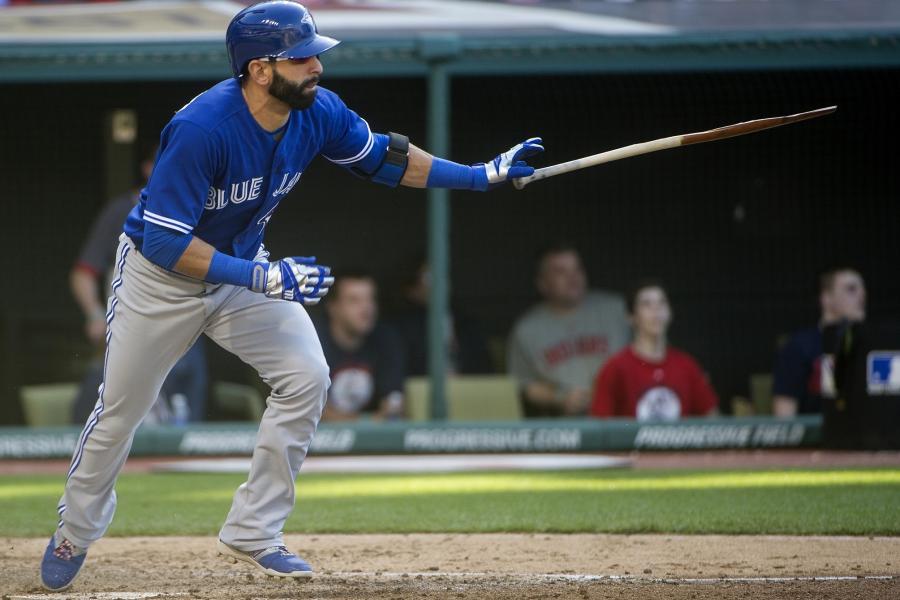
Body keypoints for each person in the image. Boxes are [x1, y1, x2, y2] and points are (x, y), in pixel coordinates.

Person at [40, 0, 544, 590]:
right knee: (121, 411)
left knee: (307, 376)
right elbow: (163, 243)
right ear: (259, 69)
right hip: (162, 280)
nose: (316, 66)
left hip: (244, 268)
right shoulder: (202, 128)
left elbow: (386, 158)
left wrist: (483, 174)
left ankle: (254, 528)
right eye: (302, 57)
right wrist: (262, 277)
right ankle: (75, 529)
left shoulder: (316, 111)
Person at [69, 148, 207, 425]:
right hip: (132, 320)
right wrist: (96, 315)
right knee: (114, 405)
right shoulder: (121, 211)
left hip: (184, 321)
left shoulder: (197, 206)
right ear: (148, 167)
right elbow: (83, 272)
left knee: (185, 409)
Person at [507, 243, 629, 417]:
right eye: (560, 272)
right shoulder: (527, 328)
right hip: (568, 424)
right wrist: (560, 398)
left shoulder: (618, 309)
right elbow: (524, 385)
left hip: (623, 415)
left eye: (577, 269)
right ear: (542, 284)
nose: (573, 277)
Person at [590, 281, 718, 420]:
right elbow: (600, 427)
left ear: (670, 312)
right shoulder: (615, 368)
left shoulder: (687, 365)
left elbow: (713, 421)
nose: (656, 310)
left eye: (662, 303)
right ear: (631, 317)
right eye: (647, 304)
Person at [772, 267, 866, 417]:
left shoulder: (870, 346)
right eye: (851, 289)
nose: (862, 295)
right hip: (819, 437)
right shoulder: (799, 346)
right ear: (826, 298)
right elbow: (784, 413)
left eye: (862, 288)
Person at [315, 270, 405, 420]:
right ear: (333, 307)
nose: (366, 309)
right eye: (354, 301)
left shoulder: (385, 339)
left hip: (376, 440)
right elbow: (308, 408)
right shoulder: (313, 341)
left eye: (370, 299)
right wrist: (363, 423)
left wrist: (389, 411)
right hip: (318, 441)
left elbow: (394, 400)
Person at [389, 258, 492, 376]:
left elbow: (486, 372)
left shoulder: (468, 324)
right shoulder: (402, 329)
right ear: (411, 290)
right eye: (430, 277)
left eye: (442, 272)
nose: (440, 281)